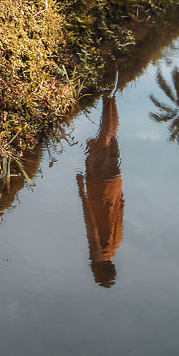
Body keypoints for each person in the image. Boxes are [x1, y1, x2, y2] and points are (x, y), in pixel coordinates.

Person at [76, 94, 124, 288]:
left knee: (110, 139)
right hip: (100, 188)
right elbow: (91, 225)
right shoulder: (99, 253)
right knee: (103, 143)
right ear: (99, 270)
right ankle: (108, 98)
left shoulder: (116, 245)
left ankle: (110, 98)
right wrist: (81, 193)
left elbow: (121, 209)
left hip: (114, 184)